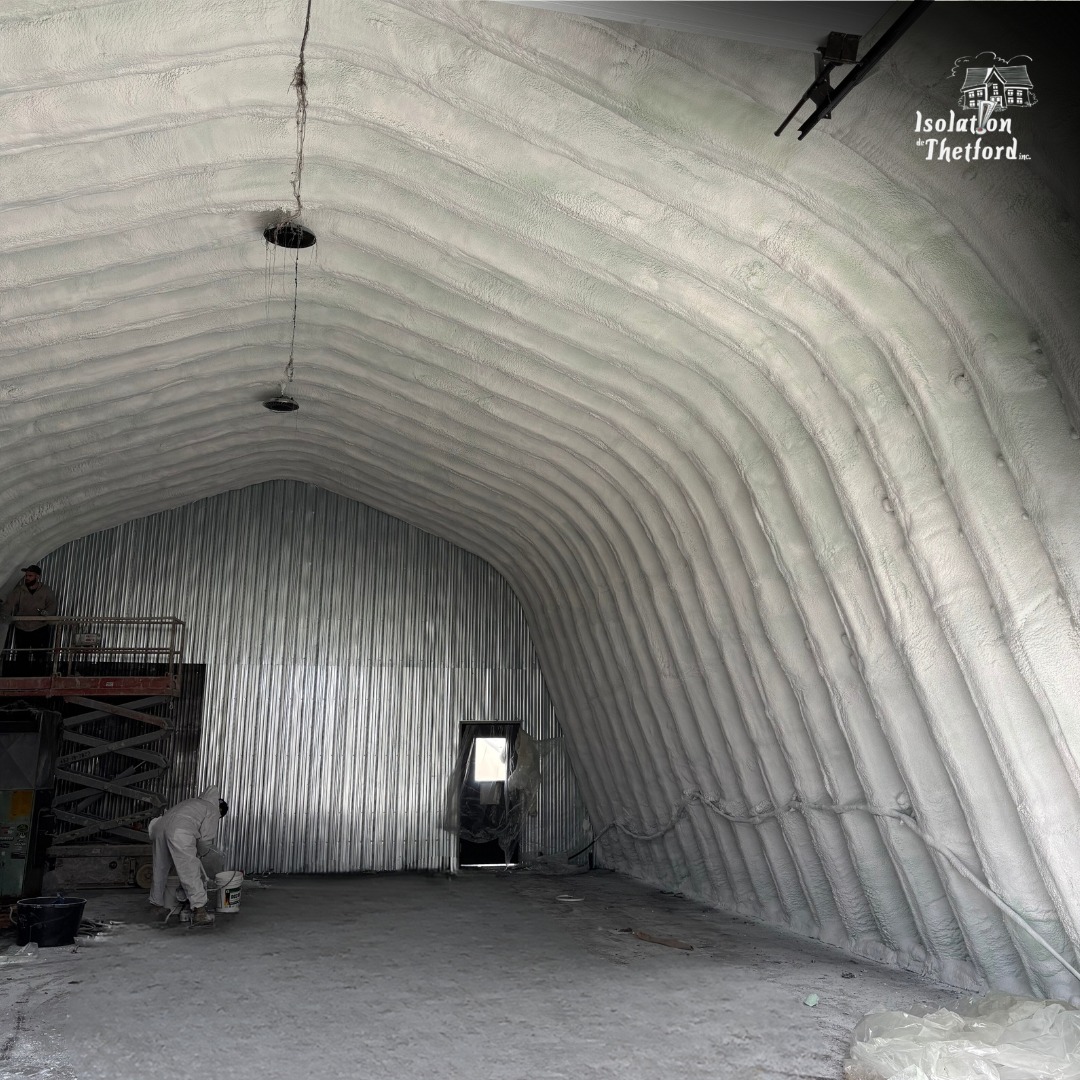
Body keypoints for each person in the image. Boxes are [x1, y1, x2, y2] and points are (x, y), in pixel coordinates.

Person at [149, 785, 228, 926]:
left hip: (159, 827)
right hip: (179, 831)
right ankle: (200, 911)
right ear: (220, 811)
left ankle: (156, 907)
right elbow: (205, 840)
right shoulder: (213, 810)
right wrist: (202, 853)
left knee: (160, 868)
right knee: (189, 870)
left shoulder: (193, 802)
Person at [1, 564, 58, 674]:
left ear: (38, 577)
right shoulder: (19, 590)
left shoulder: (46, 590)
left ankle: (40, 678)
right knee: (22, 654)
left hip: (39, 627)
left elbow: (52, 605)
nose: (27, 578)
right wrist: (4, 616)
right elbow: (8, 604)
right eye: (26, 575)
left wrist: (47, 613)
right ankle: (21, 679)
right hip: (22, 627)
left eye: (30, 576)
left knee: (40, 654)